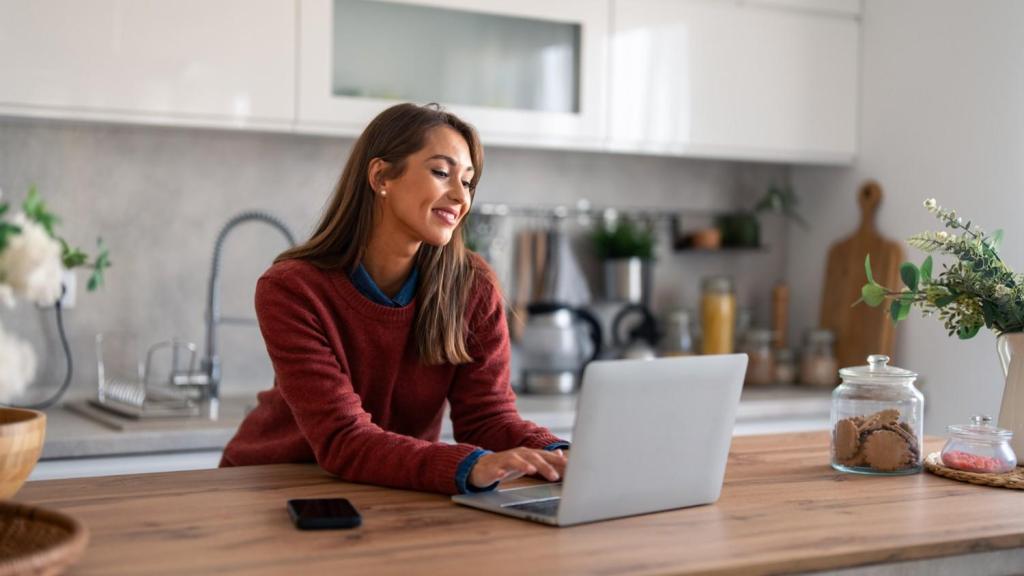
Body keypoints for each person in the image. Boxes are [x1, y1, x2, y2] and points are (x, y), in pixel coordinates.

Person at [220, 103, 568, 495]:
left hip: (388, 487)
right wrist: (472, 465)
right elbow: (343, 439)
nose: (461, 196)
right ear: (382, 175)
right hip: (272, 487)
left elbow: (487, 418)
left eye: (468, 182)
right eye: (441, 173)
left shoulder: (473, 286)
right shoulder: (292, 289)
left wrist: (559, 455)